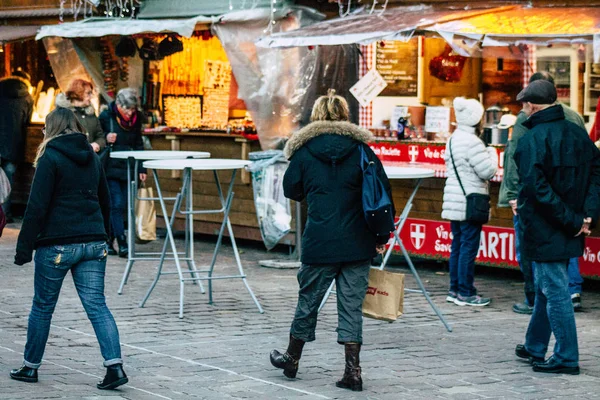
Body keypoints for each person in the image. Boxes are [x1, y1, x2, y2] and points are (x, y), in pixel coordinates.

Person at [270, 90, 393, 392]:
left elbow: (290, 189)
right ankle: (353, 372)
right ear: (344, 115)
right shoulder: (362, 150)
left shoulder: (304, 150)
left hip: (320, 241)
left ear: (316, 115)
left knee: (308, 301)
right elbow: (381, 193)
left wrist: (314, 192)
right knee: (351, 308)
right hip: (357, 243)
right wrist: (380, 237)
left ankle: (292, 359)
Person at [11, 107, 128, 389]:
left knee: (42, 307)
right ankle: (115, 368)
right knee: (97, 305)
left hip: (57, 245)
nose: (41, 131)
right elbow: (104, 200)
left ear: (52, 129)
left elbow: (36, 207)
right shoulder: (92, 156)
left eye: (44, 128)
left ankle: (30, 367)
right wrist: (104, 236)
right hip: (93, 243)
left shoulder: (50, 157)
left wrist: (23, 249)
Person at [513, 80, 600, 375]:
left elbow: (536, 190)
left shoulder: (530, 140)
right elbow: (596, 175)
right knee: (547, 286)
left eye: (523, 104)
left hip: (547, 226)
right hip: (570, 223)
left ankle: (566, 355)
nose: (522, 109)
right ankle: (535, 344)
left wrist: (575, 218)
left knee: (555, 289)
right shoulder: (577, 133)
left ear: (532, 106)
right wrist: (585, 215)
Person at [499, 72, 586, 314]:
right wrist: (585, 211)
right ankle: (573, 290)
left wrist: (513, 195)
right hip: (570, 199)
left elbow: (521, 164)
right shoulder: (574, 118)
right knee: (567, 247)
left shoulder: (527, 124)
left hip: (540, 204)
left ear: (532, 103)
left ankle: (534, 299)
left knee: (534, 253)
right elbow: (589, 164)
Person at [442, 97, 498, 307]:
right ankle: (466, 291)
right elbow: (488, 171)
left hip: (455, 200)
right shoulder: (473, 142)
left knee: (457, 245)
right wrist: (492, 153)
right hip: (469, 202)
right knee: (467, 247)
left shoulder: (453, 139)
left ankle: (454, 289)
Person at [99, 88, 146, 258]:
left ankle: (109, 238)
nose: (129, 113)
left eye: (132, 109)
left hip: (129, 166)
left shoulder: (137, 119)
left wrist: (142, 168)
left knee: (124, 204)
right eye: (127, 109)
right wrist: (105, 138)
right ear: (118, 105)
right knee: (116, 204)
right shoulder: (106, 116)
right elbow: (96, 136)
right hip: (111, 167)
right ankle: (122, 241)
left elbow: (139, 143)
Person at [0, 69, 34, 223]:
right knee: (8, 179)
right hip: (13, 143)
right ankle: (5, 214)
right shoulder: (26, 96)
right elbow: (27, 120)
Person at [55, 79, 106, 154]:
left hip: (90, 161)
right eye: (88, 93)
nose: (91, 96)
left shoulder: (91, 113)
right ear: (78, 93)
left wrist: (97, 144)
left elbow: (100, 136)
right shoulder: (63, 114)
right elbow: (57, 141)